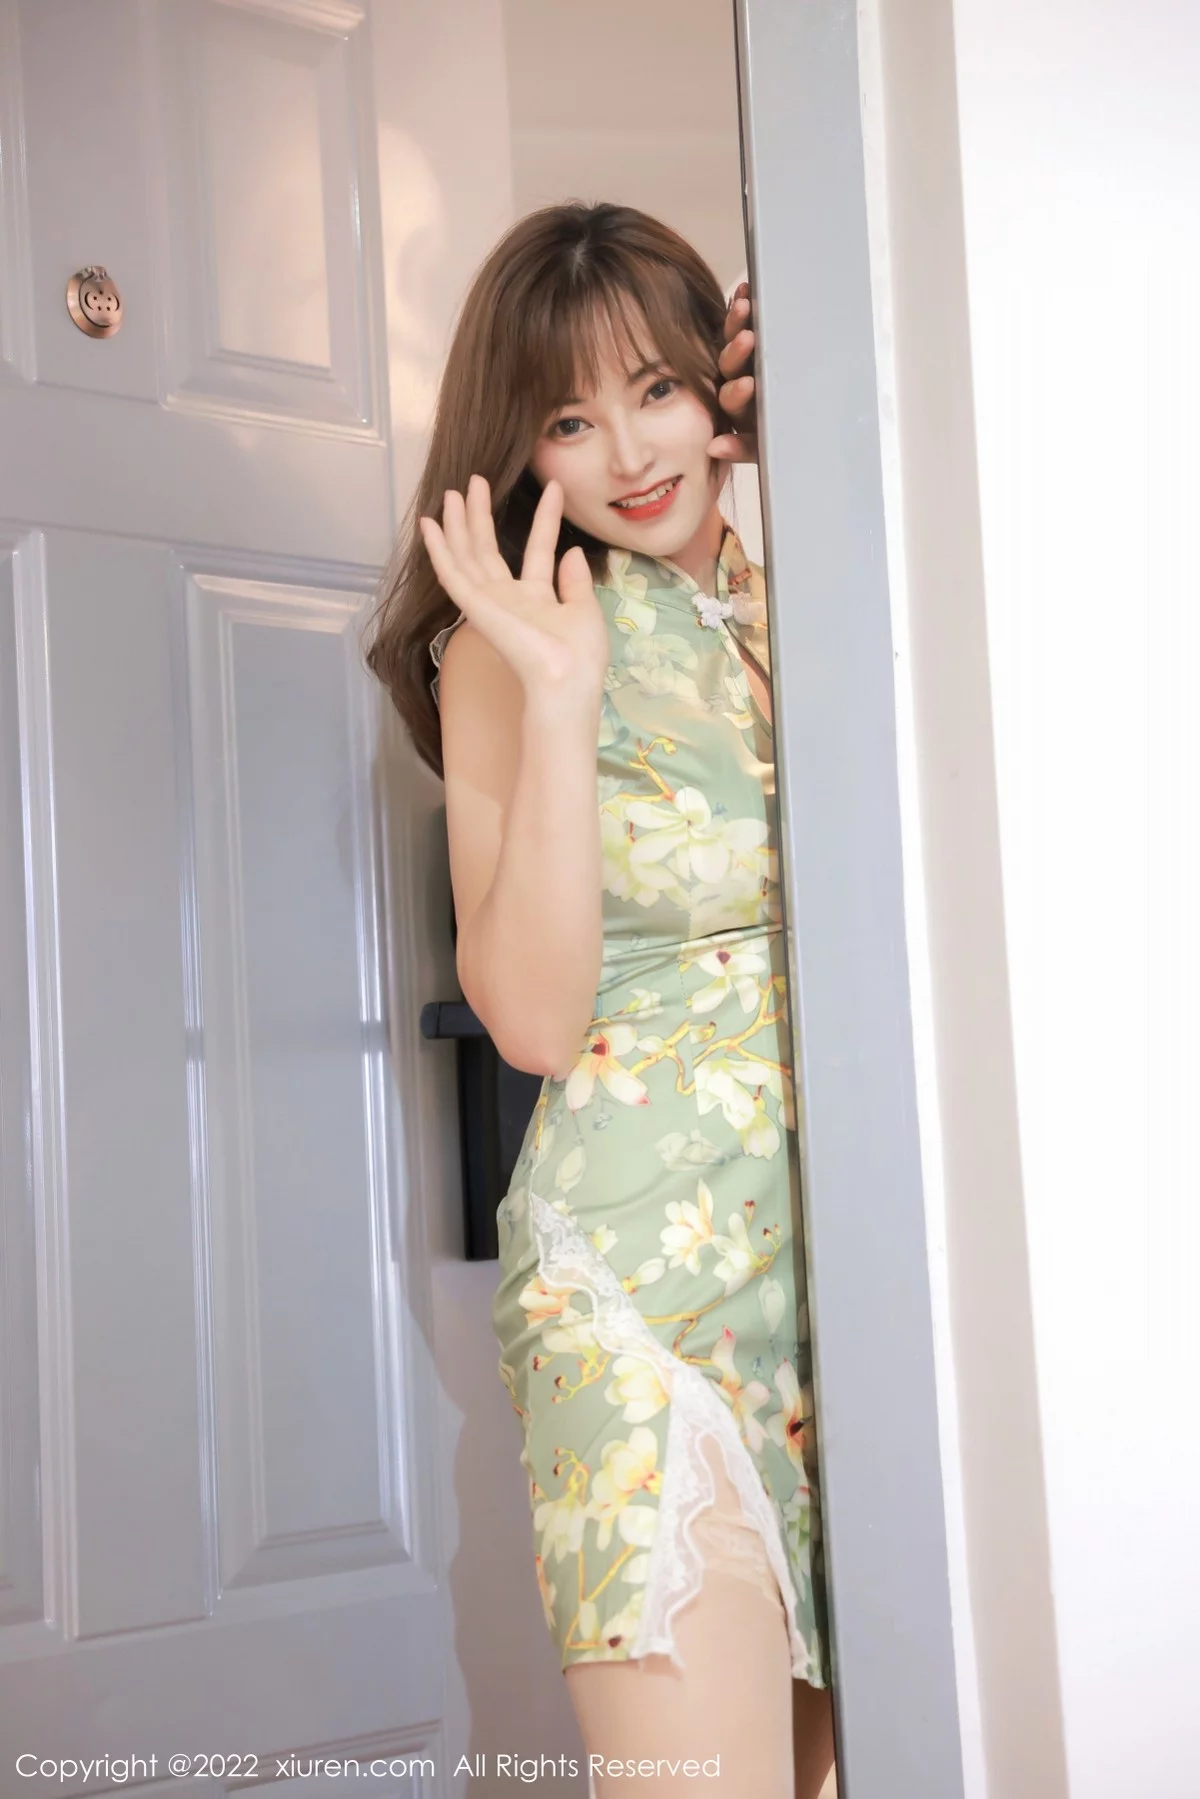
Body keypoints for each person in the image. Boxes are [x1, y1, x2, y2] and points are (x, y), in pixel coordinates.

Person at [363, 202, 835, 1799]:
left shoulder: (806, 594)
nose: (630, 451)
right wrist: (562, 701)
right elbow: (534, 1021)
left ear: (720, 394)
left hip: (845, 1298)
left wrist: (822, 439)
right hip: (645, 1304)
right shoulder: (512, 649)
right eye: (570, 418)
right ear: (521, 448)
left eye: (658, 389)